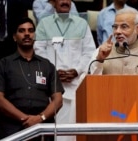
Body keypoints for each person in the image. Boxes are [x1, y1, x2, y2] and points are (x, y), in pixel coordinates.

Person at [34, 0, 96, 140]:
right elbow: (38, 52)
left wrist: (77, 70)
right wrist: (54, 72)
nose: (65, 1)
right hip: (52, 90)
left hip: (77, 88)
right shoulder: (44, 24)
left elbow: (89, 53)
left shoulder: (82, 24)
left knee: (75, 135)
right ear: (53, 3)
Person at [0, 17, 64, 140]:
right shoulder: (3, 64)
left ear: (35, 35)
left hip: (42, 129)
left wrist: (39, 119)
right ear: (14, 37)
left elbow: (58, 100)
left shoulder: (47, 65)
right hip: (11, 130)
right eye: (21, 31)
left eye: (30, 30)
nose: (27, 34)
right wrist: (25, 119)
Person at [90, 7, 138, 75]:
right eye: (115, 27)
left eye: (124, 27)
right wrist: (99, 61)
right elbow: (87, 84)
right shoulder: (102, 52)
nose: (117, 31)